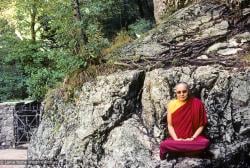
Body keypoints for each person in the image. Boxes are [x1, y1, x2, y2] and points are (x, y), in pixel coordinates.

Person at [160, 82, 210, 160]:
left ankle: (179, 150)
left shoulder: (197, 103)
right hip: (176, 139)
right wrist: (176, 139)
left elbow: (201, 125)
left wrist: (192, 138)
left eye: (184, 91)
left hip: (193, 139)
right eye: (179, 92)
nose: (182, 94)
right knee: (163, 144)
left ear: (188, 91)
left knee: (205, 143)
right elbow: (170, 125)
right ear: (176, 93)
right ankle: (189, 150)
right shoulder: (172, 104)